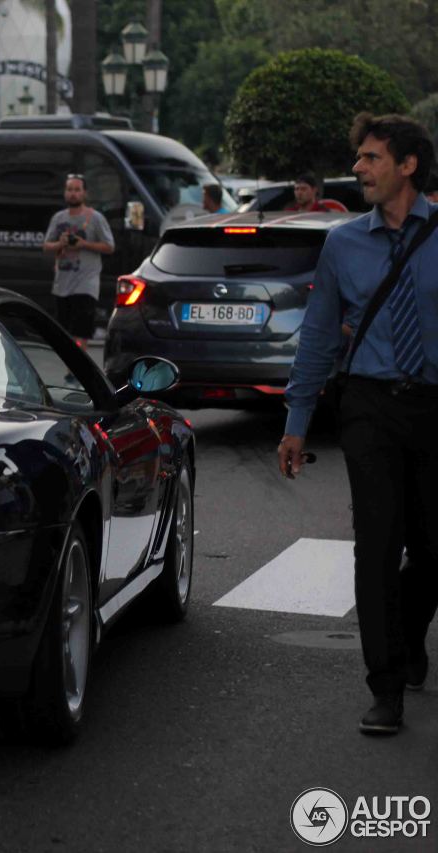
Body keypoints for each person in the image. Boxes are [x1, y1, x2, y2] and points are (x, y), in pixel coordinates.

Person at [278, 113, 438, 736]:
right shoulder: (343, 243)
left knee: (433, 550)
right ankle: (385, 685)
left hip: (434, 406)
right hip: (369, 404)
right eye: (359, 158)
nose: (359, 169)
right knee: (377, 545)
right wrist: (296, 419)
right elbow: (318, 338)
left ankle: (406, 632)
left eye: (372, 158)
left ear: (408, 165)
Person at [42, 174, 115, 347]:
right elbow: (46, 246)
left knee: (81, 332)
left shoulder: (95, 218)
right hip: (62, 284)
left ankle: (74, 372)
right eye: (69, 189)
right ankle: (71, 369)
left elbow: (110, 246)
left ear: (85, 193)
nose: (73, 193)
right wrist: (61, 243)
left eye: (77, 190)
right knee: (64, 333)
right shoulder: (59, 218)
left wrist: (84, 244)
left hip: (85, 284)